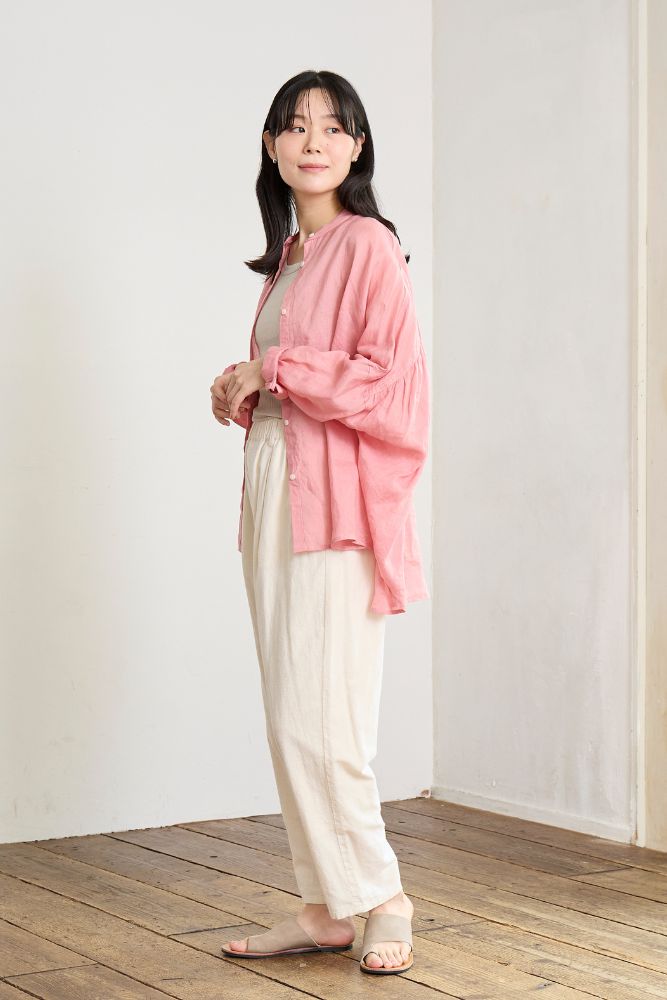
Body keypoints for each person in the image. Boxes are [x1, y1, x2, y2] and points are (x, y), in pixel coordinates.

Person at [210, 70, 430, 976]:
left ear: (357, 147)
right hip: (275, 483)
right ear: (271, 147)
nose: (313, 142)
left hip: (333, 502)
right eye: (294, 127)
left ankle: (381, 897)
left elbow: (388, 385)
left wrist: (277, 372)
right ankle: (326, 905)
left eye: (333, 128)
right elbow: (294, 380)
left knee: (325, 712)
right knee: (289, 712)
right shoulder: (290, 258)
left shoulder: (367, 245)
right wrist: (241, 387)